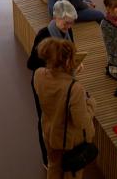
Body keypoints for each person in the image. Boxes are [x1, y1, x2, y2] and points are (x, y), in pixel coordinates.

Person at [34, 38, 96, 179]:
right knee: (72, 174)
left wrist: (70, 74)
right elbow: (81, 122)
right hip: (69, 141)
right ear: (68, 61)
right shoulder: (75, 88)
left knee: (53, 166)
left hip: (49, 132)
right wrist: (91, 103)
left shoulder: (38, 74)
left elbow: (56, 89)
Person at [27, 0, 77, 168]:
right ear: (55, 17)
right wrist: (57, 65)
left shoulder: (68, 31)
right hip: (45, 85)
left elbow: (71, 52)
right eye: (66, 22)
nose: (69, 26)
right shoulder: (44, 35)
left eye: (71, 23)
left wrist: (74, 63)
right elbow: (31, 64)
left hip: (61, 83)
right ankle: (47, 159)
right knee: (45, 120)